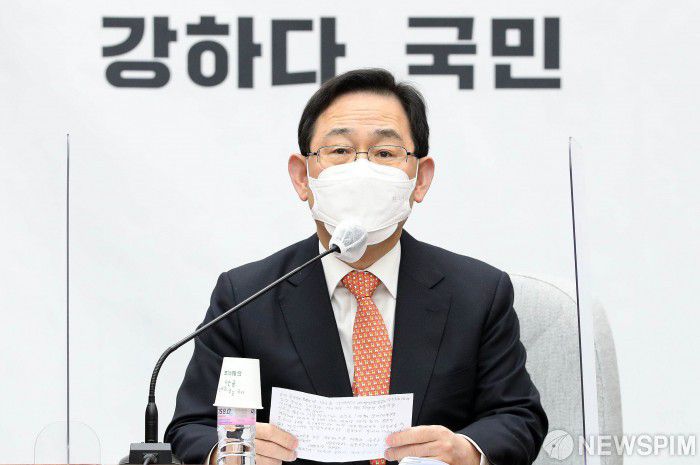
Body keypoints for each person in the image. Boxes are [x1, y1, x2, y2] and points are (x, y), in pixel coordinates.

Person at [164, 68, 547, 465]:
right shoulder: (246, 296)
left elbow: (517, 417)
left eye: (385, 153)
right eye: (339, 151)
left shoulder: (478, 293)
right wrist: (230, 452)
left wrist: (466, 451)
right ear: (302, 177)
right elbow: (192, 426)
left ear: (420, 180)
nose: (361, 170)